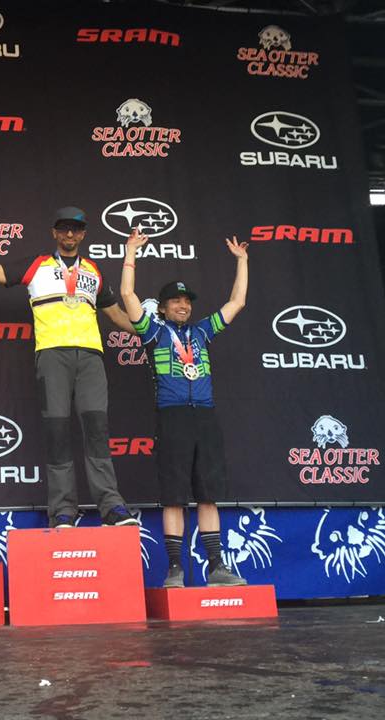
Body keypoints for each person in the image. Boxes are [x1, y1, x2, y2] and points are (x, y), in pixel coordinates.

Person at [0, 206, 138, 528]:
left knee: (97, 430)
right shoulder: (37, 265)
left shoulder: (93, 270)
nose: (69, 234)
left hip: (90, 358)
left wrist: (152, 331)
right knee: (57, 432)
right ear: (54, 232)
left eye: (75, 229)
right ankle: (63, 510)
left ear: (83, 234)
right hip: (52, 357)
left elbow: (117, 315)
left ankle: (112, 507)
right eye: (63, 228)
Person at [119, 229, 249, 587]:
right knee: (173, 497)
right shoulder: (153, 332)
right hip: (172, 417)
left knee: (208, 495)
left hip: (204, 417)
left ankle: (217, 567)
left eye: (187, 301)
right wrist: (130, 252)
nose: (183, 305)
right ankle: (175, 568)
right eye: (175, 301)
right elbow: (128, 295)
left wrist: (242, 261)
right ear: (162, 307)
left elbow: (237, 302)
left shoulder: (202, 332)